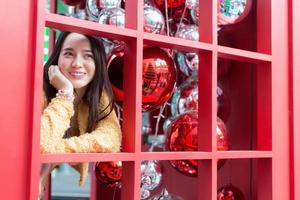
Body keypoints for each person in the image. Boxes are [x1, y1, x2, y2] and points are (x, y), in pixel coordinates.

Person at [39, 31, 122, 197]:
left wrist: (57, 150)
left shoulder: (98, 93)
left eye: (88, 56)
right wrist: (66, 94)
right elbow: (41, 143)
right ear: (57, 59)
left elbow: (111, 137)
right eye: (69, 53)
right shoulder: (38, 88)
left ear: (98, 61)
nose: (77, 63)